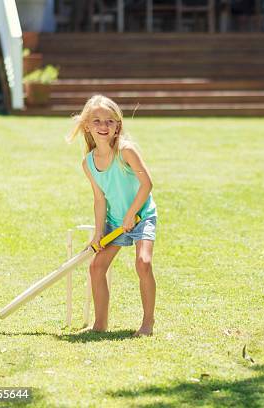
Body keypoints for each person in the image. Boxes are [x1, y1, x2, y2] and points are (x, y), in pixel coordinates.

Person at [67, 95, 158, 337]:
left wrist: (131, 215)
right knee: (96, 266)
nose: (103, 126)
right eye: (96, 121)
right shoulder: (88, 163)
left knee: (144, 263)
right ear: (87, 126)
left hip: (141, 216)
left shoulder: (126, 151)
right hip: (116, 222)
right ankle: (100, 324)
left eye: (110, 121)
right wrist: (99, 233)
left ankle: (148, 323)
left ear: (118, 124)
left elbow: (146, 184)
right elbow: (99, 199)